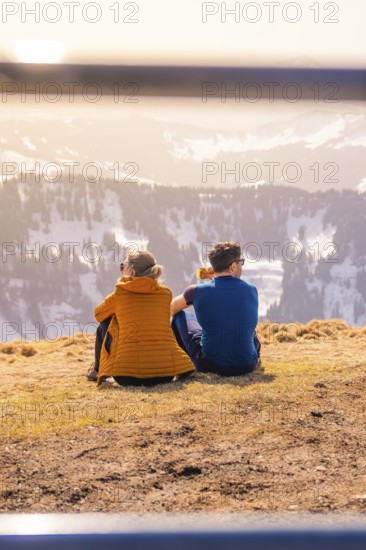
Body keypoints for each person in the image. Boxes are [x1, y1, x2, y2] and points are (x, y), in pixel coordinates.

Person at [87, 250, 195, 386]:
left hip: (126, 376)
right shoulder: (165, 293)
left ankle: (97, 370)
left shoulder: (120, 294)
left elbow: (98, 314)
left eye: (123, 267)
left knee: (105, 323)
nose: (121, 270)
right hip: (164, 375)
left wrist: (122, 287)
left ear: (132, 272)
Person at [170, 241, 261, 376]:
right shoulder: (251, 289)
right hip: (248, 365)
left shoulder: (196, 291)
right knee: (246, 326)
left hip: (209, 364)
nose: (241, 266)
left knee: (179, 316)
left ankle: (184, 365)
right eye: (241, 262)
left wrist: (209, 284)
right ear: (234, 266)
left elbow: (172, 308)